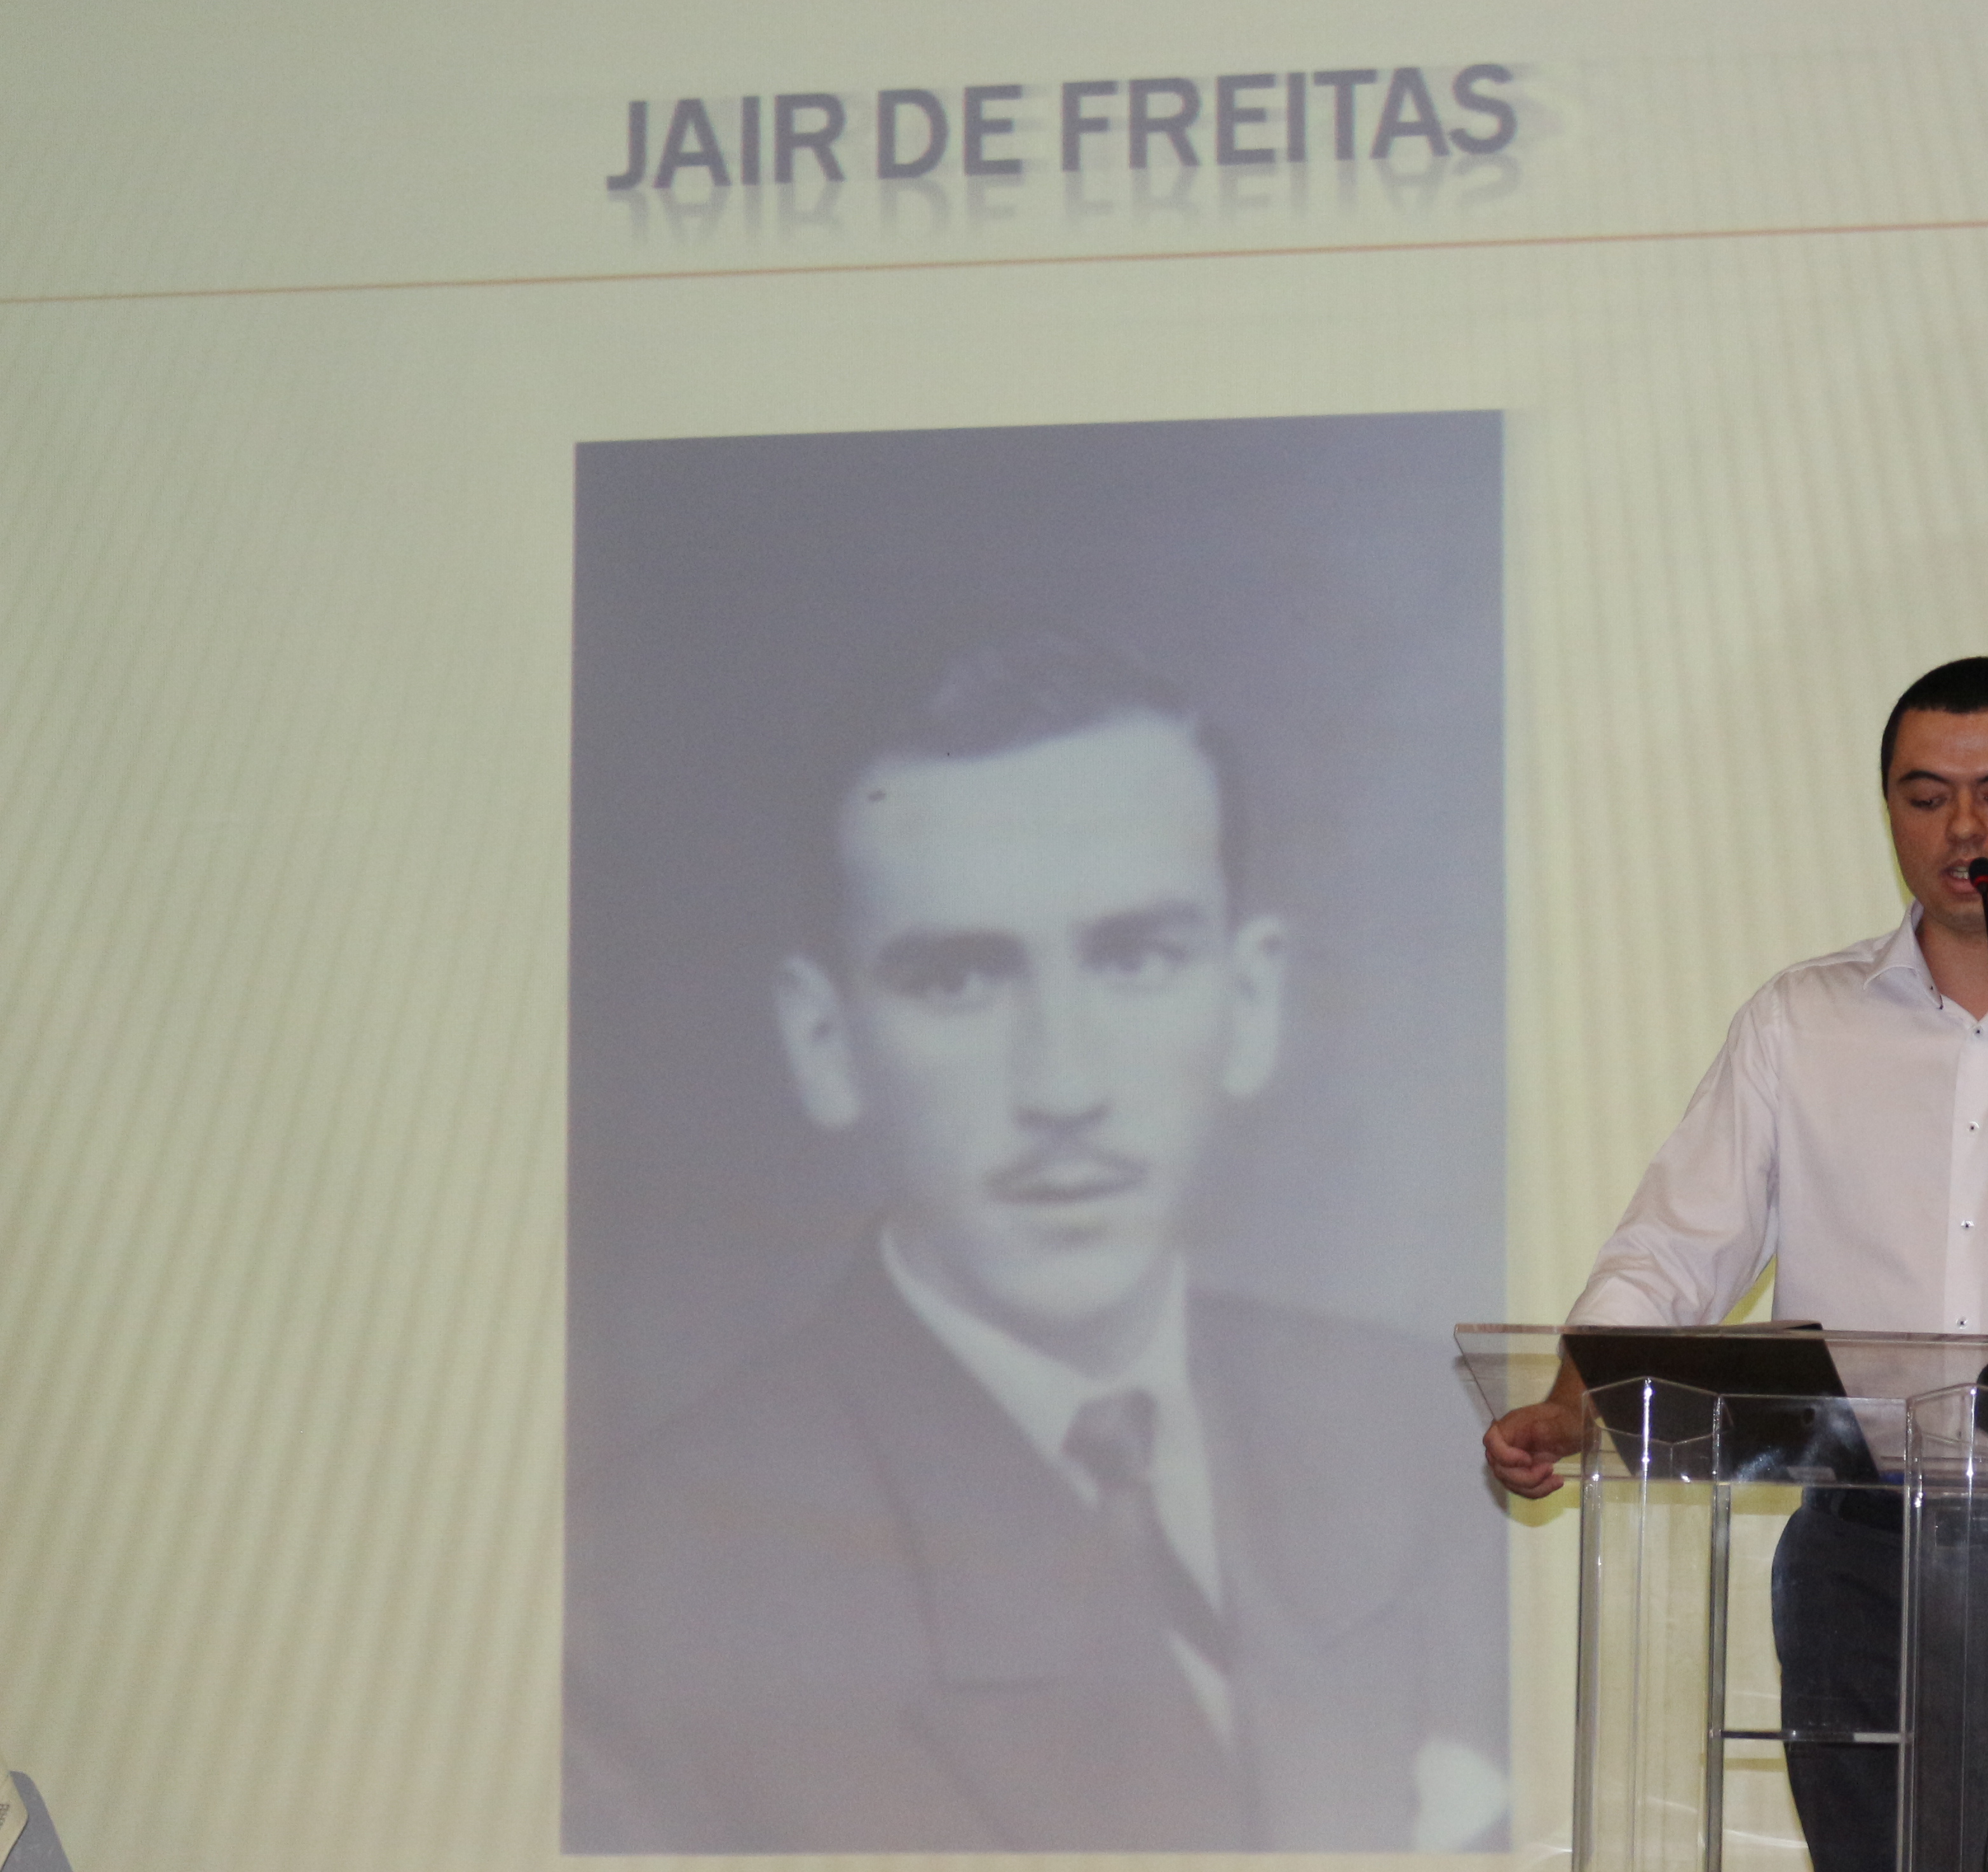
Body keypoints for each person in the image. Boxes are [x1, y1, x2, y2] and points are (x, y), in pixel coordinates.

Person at [566, 623, 1505, 1854]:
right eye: (958, 980)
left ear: (1248, 1000)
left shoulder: (1444, 1443)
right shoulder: (630, 1606)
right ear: (825, 1041)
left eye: (1136, 957)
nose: (1062, 1084)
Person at [1485, 657, 1988, 1872]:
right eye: (1924, 796)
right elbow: (1671, 1247)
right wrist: (1571, 1406)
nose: (1961, 830)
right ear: (1885, 803)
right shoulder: (1800, 1019)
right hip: (1863, 1555)